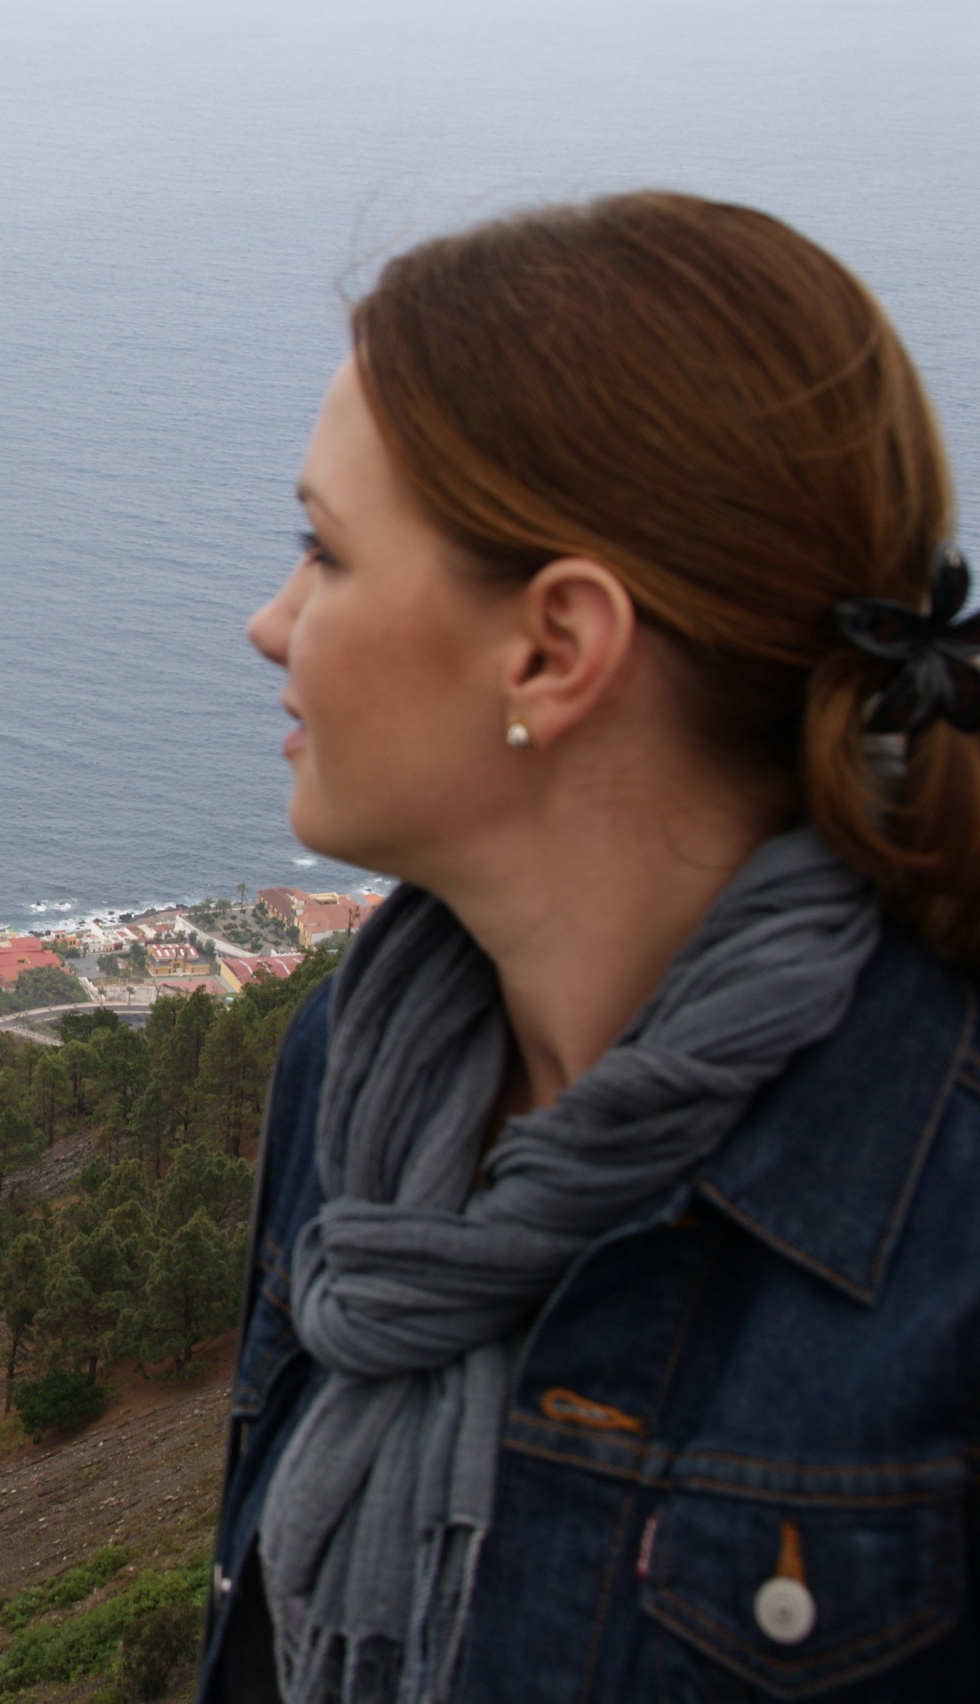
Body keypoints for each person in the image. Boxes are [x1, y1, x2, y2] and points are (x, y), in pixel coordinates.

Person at [204, 191, 980, 1703]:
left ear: (554, 649)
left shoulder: (940, 1231)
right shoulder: (359, 1071)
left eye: (325, 552)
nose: (269, 622)